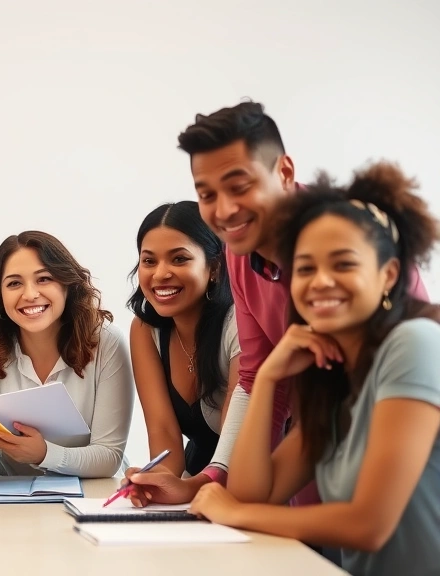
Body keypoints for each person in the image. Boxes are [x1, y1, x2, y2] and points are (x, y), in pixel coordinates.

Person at [126, 101, 428, 507]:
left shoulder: (350, 239)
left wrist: (239, 508)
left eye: (240, 186)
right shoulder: (238, 251)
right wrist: (214, 484)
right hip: (312, 451)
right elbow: (257, 375)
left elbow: (412, 356)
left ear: (284, 173)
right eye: (207, 194)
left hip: (403, 458)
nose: (225, 209)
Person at [190, 161, 440, 576]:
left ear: (388, 275)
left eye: (343, 264)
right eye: (305, 268)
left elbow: (369, 525)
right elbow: (258, 493)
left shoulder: (414, 343)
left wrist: (235, 513)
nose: (321, 281)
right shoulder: (338, 379)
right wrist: (270, 375)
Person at [0, 231, 134, 478]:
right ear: (0, 293)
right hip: (13, 503)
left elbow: (108, 457)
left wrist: (44, 454)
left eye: (44, 279)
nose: (29, 294)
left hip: (94, 498)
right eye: (14, 283)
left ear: (67, 285)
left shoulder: (106, 341)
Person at [126, 201, 239, 480]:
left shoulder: (239, 324)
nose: (161, 274)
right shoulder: (144, 330)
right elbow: (164, 434)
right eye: (149, 260)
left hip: (257, 477)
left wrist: (187, 488)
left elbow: (239, 446)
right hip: (197, 477)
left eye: (179, 259)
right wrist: (153, 480)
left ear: (214, 267)